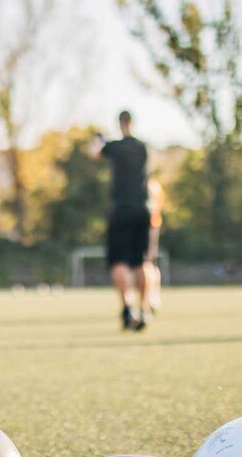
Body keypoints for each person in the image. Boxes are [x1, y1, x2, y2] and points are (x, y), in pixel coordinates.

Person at [92, 110, 153, 331]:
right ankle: (145, 308)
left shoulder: (114, 147)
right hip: (143, 209)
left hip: (121, 209)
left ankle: (128, 308)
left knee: (120, 262)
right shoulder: (143, 147)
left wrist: (100, 140)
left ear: (119, 124)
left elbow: (95, 153)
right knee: (141, 262)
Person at [143, 179, 165, 316]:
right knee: (147, 263)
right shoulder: (152, 185)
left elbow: (157, 207)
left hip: (149, 225)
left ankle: (152, 296)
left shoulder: (152, 186)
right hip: (146, 225)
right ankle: (151, 297)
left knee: (148, 262)